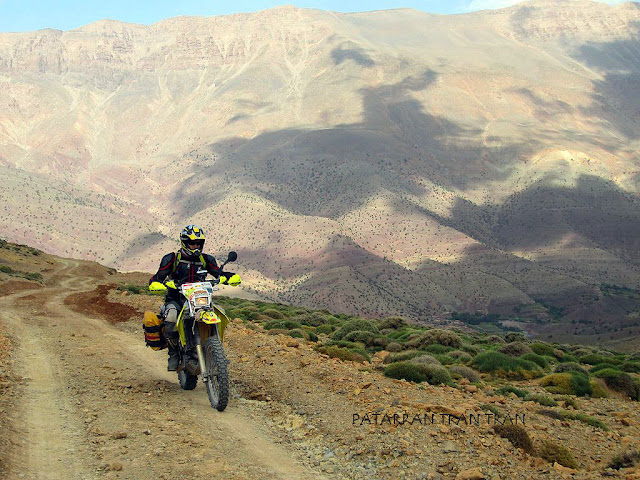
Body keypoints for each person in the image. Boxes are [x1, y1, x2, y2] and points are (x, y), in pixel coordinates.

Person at [149, 224, 235, 371]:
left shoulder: (206, 259)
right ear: (184, 242)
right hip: (176, 299)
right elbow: (158, 277)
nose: (195, 246)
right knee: (170, 318)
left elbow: (218, 273)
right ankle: (174, 353)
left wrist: (229, 277)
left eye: (198, 243)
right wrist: (158, 284)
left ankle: (216, 352)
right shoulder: (172, 258)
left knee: (220, 312)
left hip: (199, 299)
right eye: (192, 243)